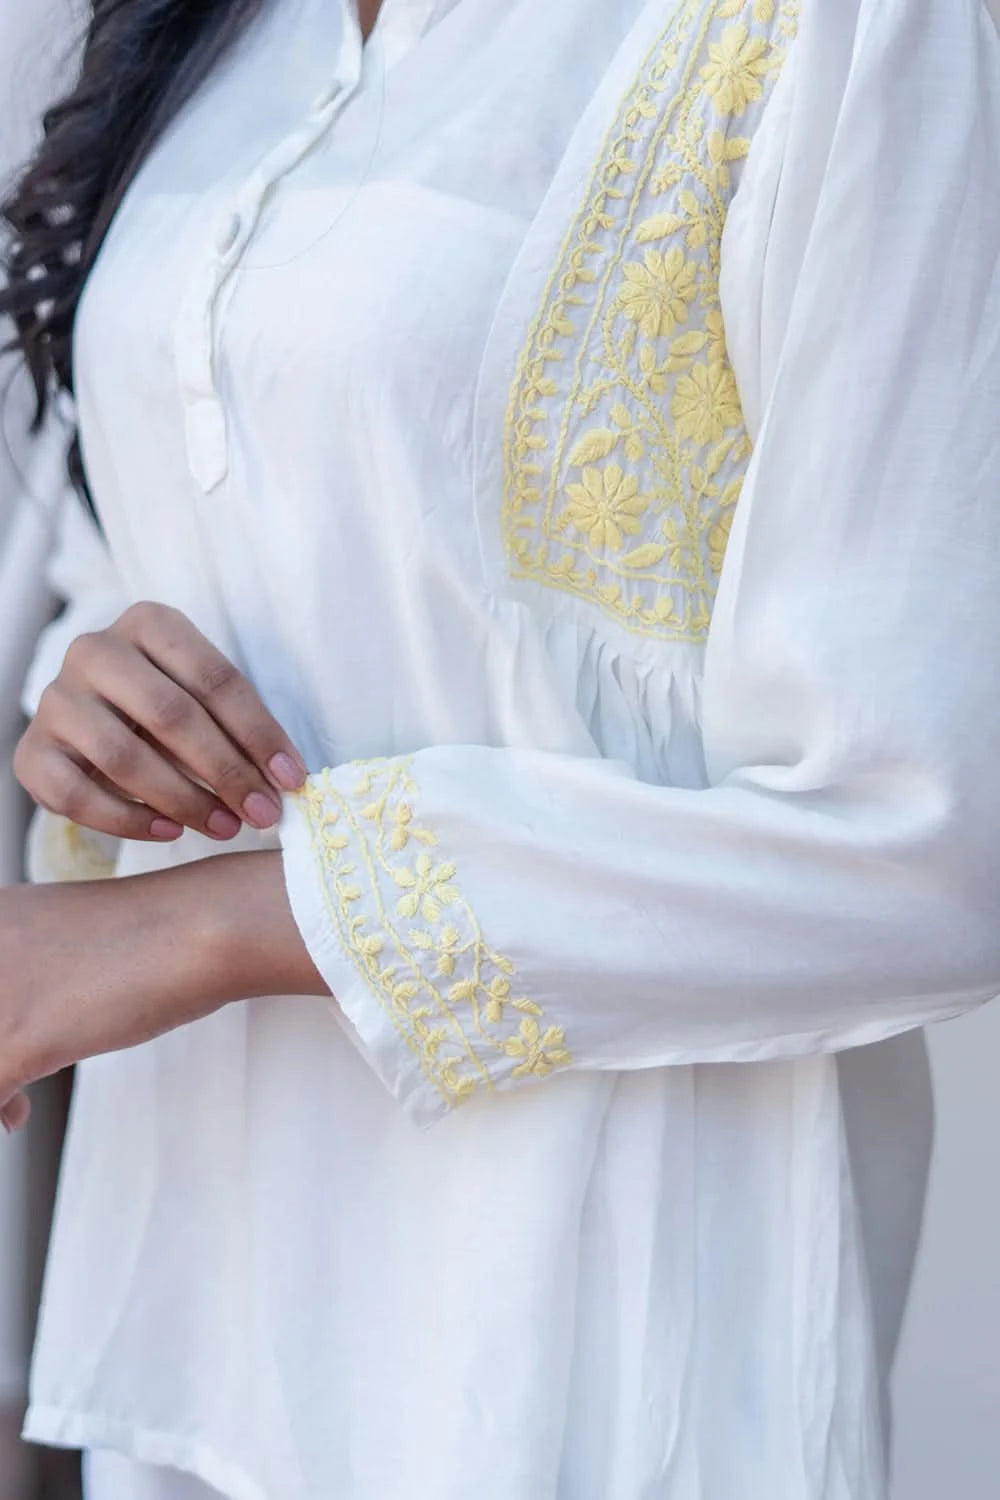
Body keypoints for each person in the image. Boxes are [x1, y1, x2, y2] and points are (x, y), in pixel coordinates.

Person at [1, 0, 998, 1496]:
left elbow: (936, 848)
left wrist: (192, 928)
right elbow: (146, 543)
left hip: (590, 1326)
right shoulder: (219, 28)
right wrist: (94, 721)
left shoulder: (856, 27)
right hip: (203, 1325)